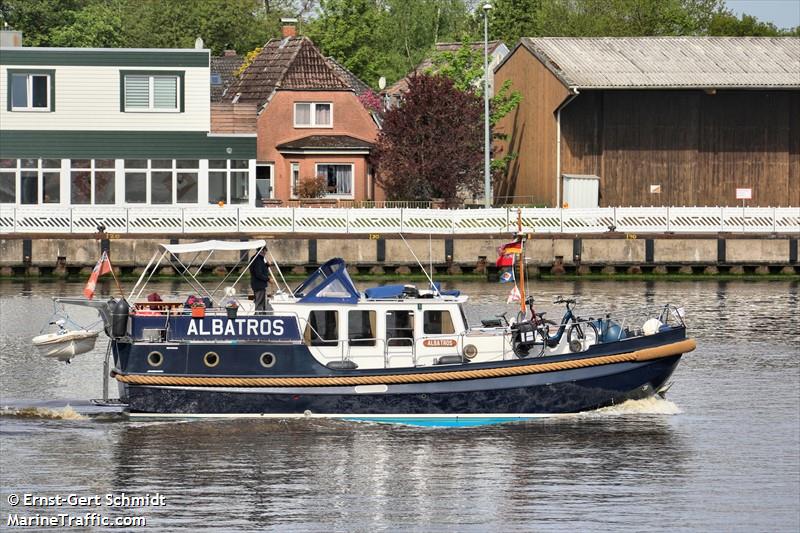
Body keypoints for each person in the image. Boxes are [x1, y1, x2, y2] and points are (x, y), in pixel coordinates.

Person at [249, 247, 271, 312]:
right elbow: (258, 274)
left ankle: (261, 315)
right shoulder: (257, 259)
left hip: (259, 285)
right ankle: (258, 316)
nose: (265, 253)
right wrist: (268, 279)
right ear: (262, 251)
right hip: (258, 285)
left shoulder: (259, 259)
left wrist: (266, 265)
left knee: (261, 303)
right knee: (259, 303)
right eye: (265, 252)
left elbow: (261, 269)